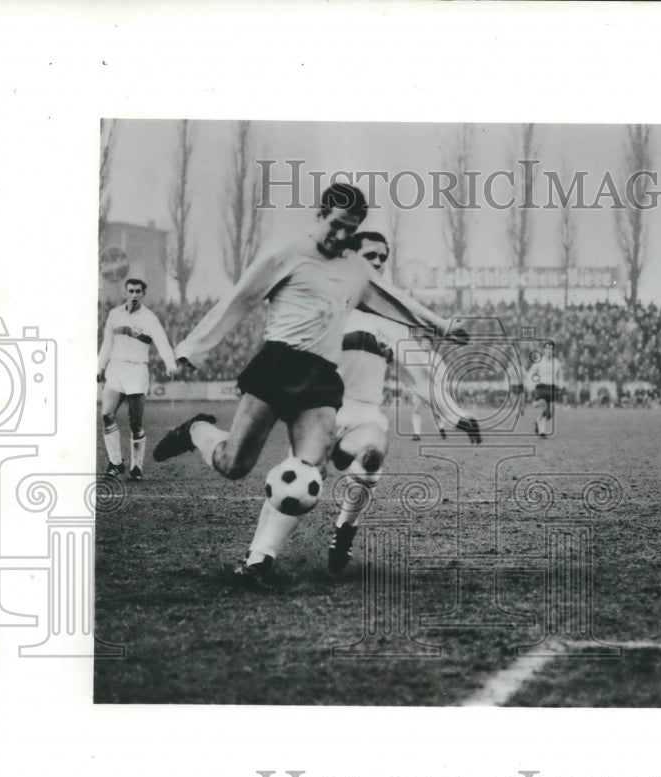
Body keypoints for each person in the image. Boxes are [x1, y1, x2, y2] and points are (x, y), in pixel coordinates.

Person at [152, 185, 465, 587]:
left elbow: (394, 301)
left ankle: (260, 560)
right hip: (276, 365)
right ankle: (195, 429)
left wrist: (441, 327)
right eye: (335, 225)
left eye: (349, 228)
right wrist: (191, 349)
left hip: (320, 378)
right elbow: (241, 298)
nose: (339, 235)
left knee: (308, 469)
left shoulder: (356, 270)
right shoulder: (288, 253)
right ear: (320, 216)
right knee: (234, 465)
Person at [325, 231, 481, 574]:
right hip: (318, 406)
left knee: (374, 455)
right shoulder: (329, 301)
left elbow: (420, 368)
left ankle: (344, 530)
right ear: (350, 257)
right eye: (371, 255)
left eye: (383, 257)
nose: (378, 263)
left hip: (363, 410)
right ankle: (261, 555)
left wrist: (455, 413)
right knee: (299, 484)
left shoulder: (391, 321)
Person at [97, 278, 178, 481]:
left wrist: (170, 363)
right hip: (116, 367)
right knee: (106, 414)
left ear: (143, 294)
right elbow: (107, 342)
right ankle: (116, 463)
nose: (134, 295)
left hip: (137, 370)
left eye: (138, 291)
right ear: (125, 292)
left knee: (135, 423)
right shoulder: (115, 314)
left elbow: (162, 342)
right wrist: (100, 366)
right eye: (130, 291)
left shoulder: (150, 319)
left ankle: (136, 468)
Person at [527, 340, 563, 437]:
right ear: (544, 350)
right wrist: (534, 384)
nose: (549, 351)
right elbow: (531, 373)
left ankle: (537, 421)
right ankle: (542, 432)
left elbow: (560, 376)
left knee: (550, 413)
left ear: (553, 350)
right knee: (544, 407)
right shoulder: (539, 362)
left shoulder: (557, 363)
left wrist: (560, 385)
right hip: (541, 387)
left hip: (552, 388)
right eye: (547, 348)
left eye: (551, 349)